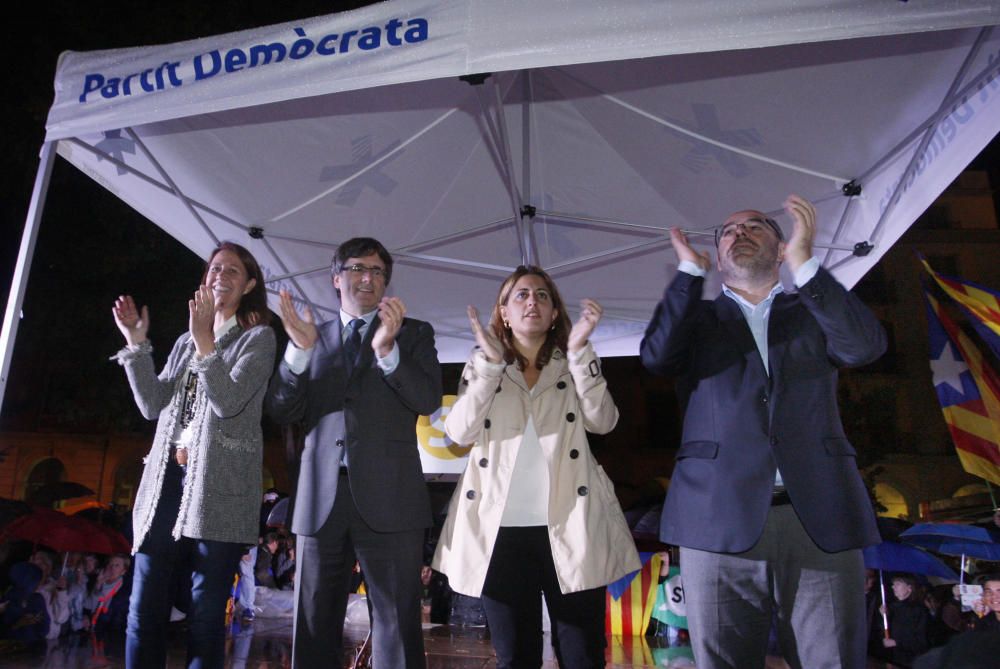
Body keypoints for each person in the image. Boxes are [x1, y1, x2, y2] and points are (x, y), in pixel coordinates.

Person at [640, 195, 886, 669]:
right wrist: (690, 274)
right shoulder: (698, 323)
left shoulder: (811, 311)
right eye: (728, 231)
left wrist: (807, 265)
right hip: (716, 519)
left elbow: (864, 346)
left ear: (779, 249)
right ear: (719, 256)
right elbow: (656, 357)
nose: (740, 233)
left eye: (755, 226)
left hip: (818, 515)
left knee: (834, 659)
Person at [433, 265, 641, 668]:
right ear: (504, 313)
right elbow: (458, 432)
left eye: (543, 295)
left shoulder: (574, 361)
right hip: (499, 535)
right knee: (515, 658)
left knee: (582, 657)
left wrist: (580, 352)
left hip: (571, 527)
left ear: (554, 312)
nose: (533, 301)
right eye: (522, 295)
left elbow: (604, 421)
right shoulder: (483, 362)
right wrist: (491, 369)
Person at [267, 237, 442, 668]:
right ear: (336, 278)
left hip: (391, 497)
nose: (368, 278)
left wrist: (387, 351)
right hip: (320, 499)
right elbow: (281, 408)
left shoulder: (413, 333)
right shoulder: (312, 337)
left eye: (378, 272)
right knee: (312, 623)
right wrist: (298, 354)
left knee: (398, 624)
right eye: (358, 269)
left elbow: (427, 399)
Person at [112, 241, 276, 669]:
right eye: (215, 268)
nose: (221, 275)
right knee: (144, 604)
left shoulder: (258, 338)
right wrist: (136, 344)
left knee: (205, 614)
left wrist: (207, 338)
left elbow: (229, 401)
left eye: (233, 271)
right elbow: (152, 403)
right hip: (167, 478)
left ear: (249, 285)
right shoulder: (187, 340)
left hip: (219, 485)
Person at [879, 574, 929, 667]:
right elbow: (885, 632)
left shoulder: (919, 610)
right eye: (893, 584)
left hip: (912, 661)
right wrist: (884, 617)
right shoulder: (892, 608)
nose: (893, 587)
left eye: (898, 584)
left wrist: (897, 642)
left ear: (909, 588)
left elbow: (921, 641)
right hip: (893, 659)